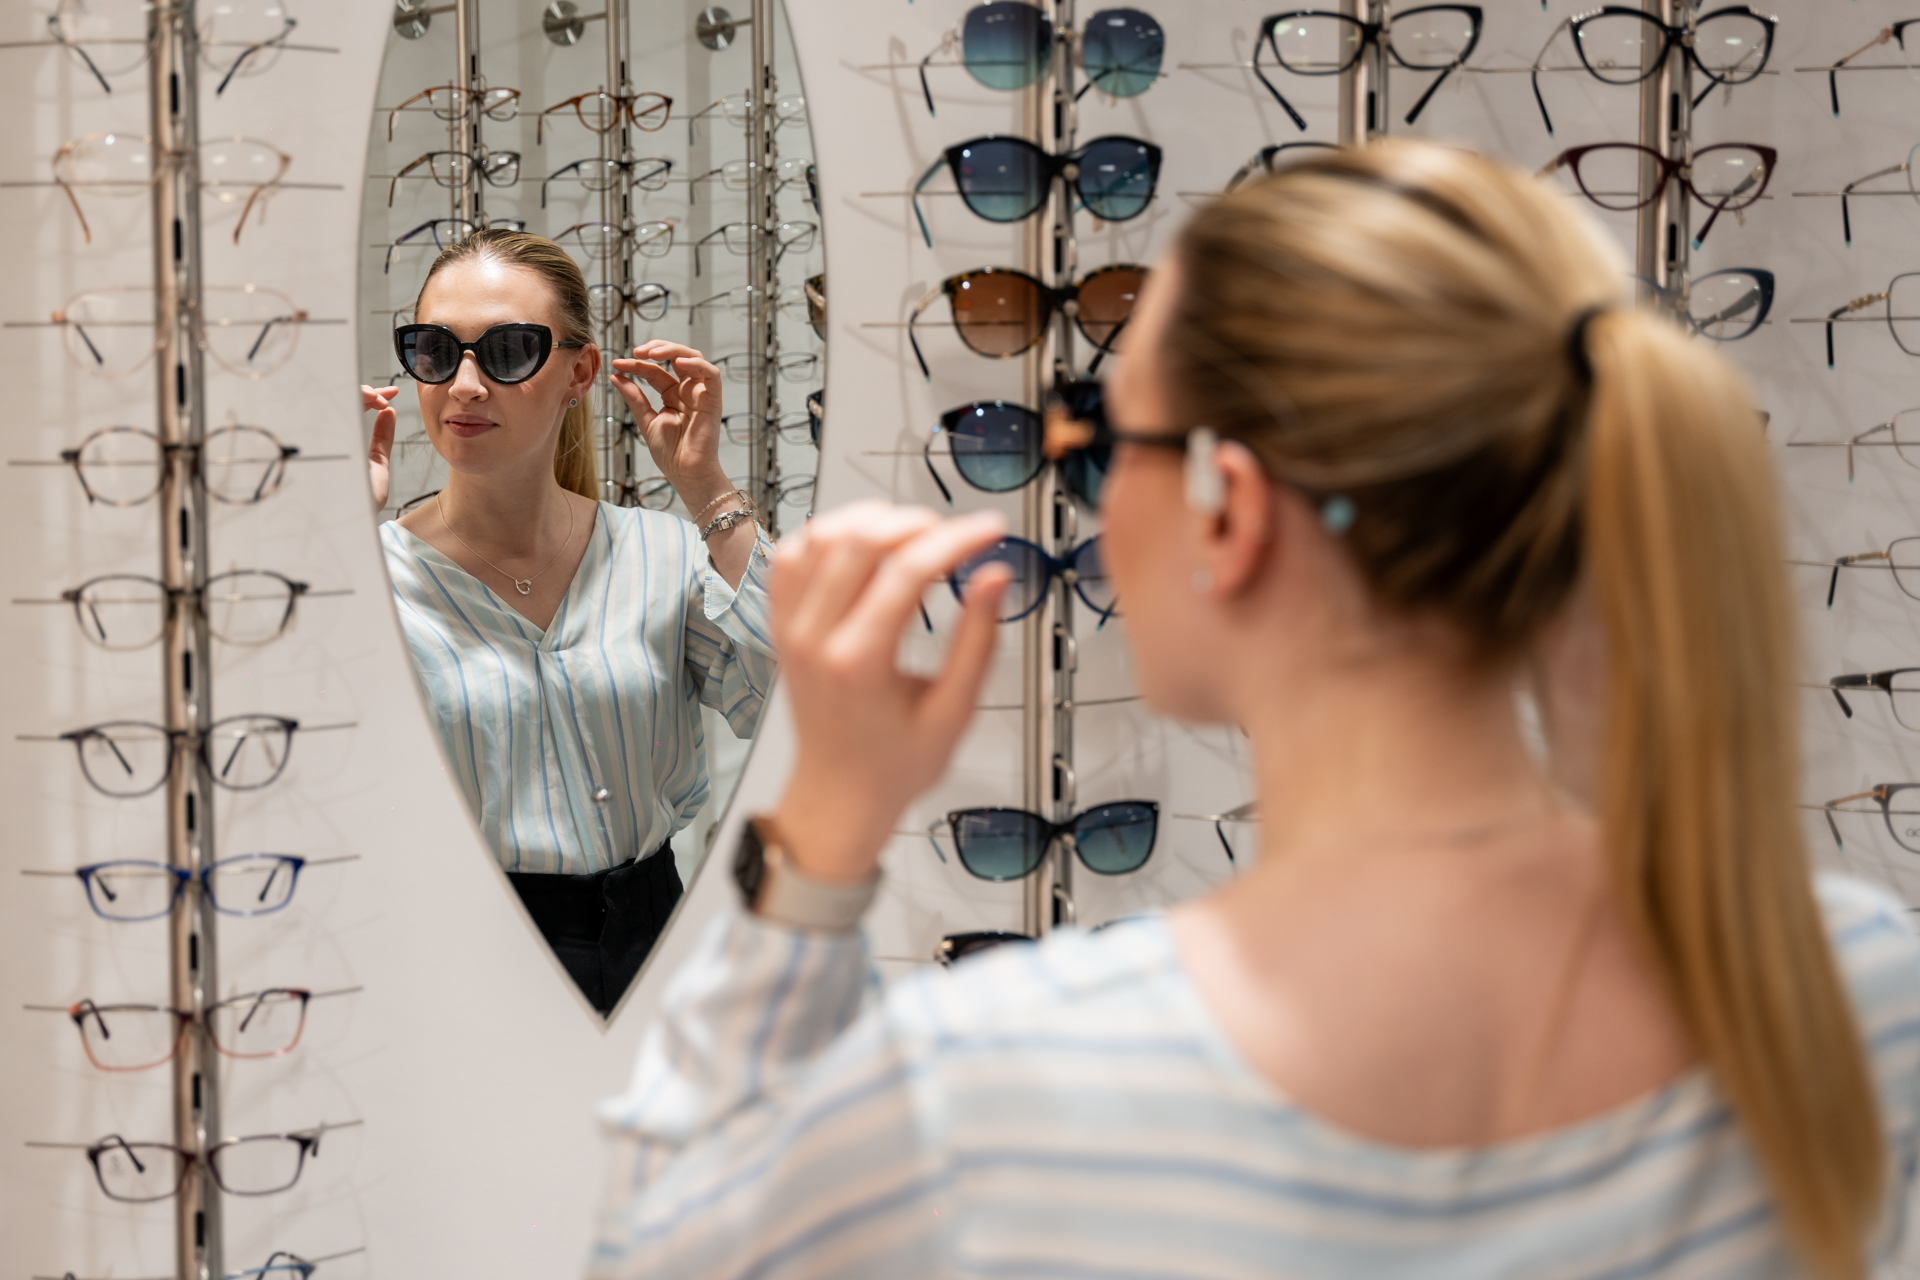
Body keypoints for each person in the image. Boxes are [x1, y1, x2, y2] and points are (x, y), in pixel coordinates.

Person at [588, 142, 1920, 1277]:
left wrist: (821, 829)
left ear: (1228, 505)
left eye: (1112, 441)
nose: (1098, 497)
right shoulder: (1843, 990)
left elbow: (661, 1249)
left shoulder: (1010, 1084)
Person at [361, 229, 774, 1016]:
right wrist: (338, 551)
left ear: (579, 372)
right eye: (435, 351)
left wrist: (706, 486)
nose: (467, 384)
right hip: (455, 956)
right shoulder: (381, 580)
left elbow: (787, 699)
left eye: (509, 349)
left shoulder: (657, 553)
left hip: (653, 944)